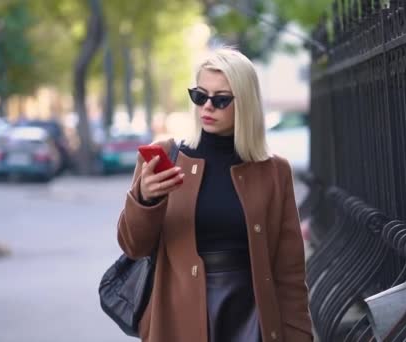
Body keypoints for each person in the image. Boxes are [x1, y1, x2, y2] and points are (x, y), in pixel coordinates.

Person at [117, 48, 313, 342]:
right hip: (177, 320)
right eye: (199, 96)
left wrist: (300, 336)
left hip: (251, 318)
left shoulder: (274, 171)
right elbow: (133, 245)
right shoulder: (167, 156)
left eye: (220, 100)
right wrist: (146, 199)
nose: (207, 107)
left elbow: (290, 273)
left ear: (245, 103)